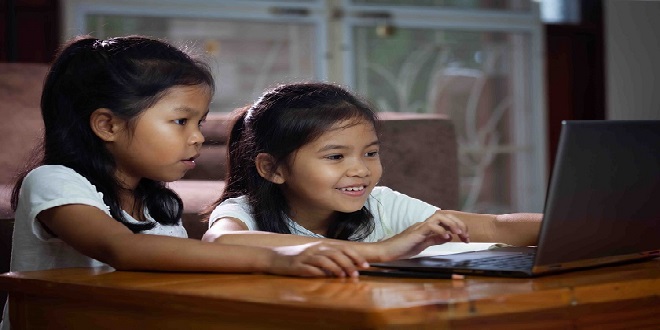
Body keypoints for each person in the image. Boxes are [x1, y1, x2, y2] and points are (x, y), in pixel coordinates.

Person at [2, 36, 381, 328]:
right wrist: (273, 259)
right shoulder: (54, 181)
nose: (199, 137)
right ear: (108, 125)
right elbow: (121, 249)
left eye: (200, 123)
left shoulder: (157, 202)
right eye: (181, 121)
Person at [203, 82, 542, 262]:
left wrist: (584, 226)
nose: (360, 170)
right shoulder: (243, 211)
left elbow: (495, 226)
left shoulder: (380, 203)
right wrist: (382, 250)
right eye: (336, 156)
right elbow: (220, 242)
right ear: (272, 168)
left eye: (371, 153)